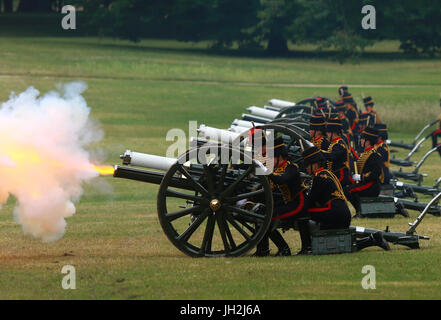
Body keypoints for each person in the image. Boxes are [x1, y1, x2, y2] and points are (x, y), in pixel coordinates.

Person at [300, 146, 389, 253]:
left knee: (303, 216)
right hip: (341, 213)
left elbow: (310, 202)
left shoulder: (319, 177)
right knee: (336, 243)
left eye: (307, 166)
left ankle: (307, 248)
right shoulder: (327, 173)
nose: (306, 169)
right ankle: (372, 240)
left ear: (314, 164)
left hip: (335, 212)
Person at [252, 137, 306, 257]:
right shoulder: (278, 168)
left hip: (298, 204)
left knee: (267, 220)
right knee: (261, 213)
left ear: (279, 157)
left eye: (272, 157)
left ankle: (284, 248)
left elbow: (281, 180)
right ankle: (262, 249)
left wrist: (266, 170)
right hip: (288, 203)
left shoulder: (291, 167)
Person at [346, 127, 383, 215]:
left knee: (348, 191)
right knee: (347, 189)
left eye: (362, 139)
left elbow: (375, 173)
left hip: (371, 185)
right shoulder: (365, 153)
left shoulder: (374, 155)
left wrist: (361, 177)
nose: (361, 140)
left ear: (368, 141)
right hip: (366, 183)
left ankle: (360, 212)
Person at [323, 117, 353, 187]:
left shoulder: (339, 144)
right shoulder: (334, 143)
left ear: (333, 132)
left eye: (328, 132)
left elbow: (332, 156)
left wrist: (319, 153)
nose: (327, 134)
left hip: (341, 176)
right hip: (336, 174)